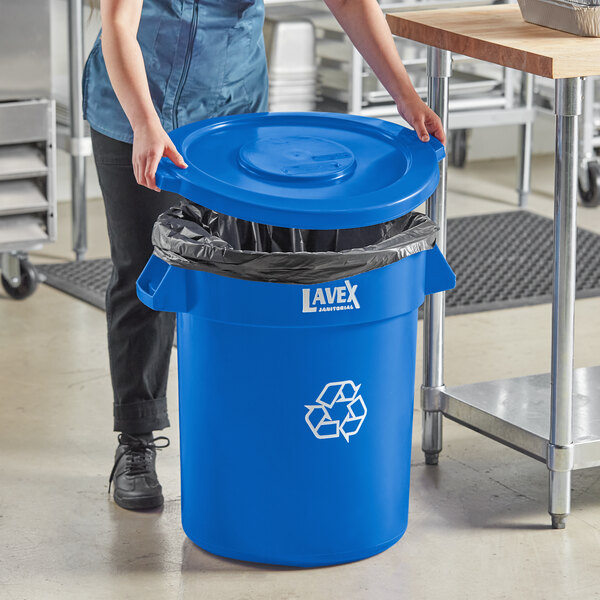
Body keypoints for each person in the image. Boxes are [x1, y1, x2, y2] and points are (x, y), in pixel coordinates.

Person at [83, 0, 445, 511]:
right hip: (135, 109)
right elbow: (118, 22)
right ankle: (137, 442)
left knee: (248, 278)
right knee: (145, 269)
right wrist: (145, 121)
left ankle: (252, 428)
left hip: (231, 116)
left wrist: (406, 99)